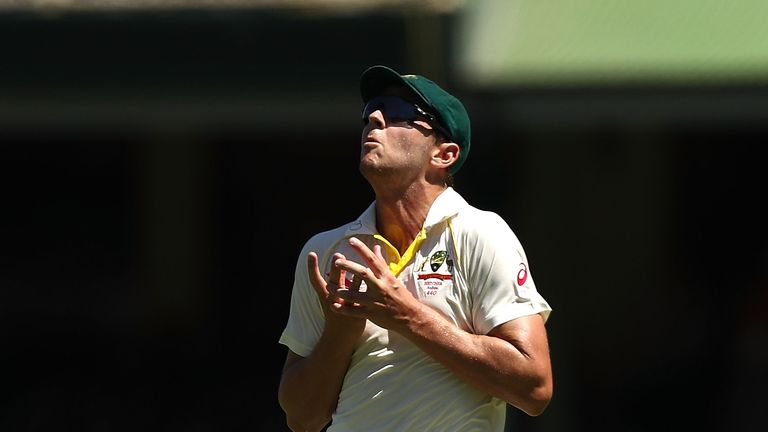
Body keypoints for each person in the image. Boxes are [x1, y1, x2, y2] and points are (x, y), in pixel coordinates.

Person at [277, 64, 553, 432]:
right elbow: (302, 417)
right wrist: (339, 333)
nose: (374, 118)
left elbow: (534, 387)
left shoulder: (481, 233)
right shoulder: (328, 251)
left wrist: (406, 314)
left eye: (398, 114)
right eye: (371, 111)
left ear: (444, 154)